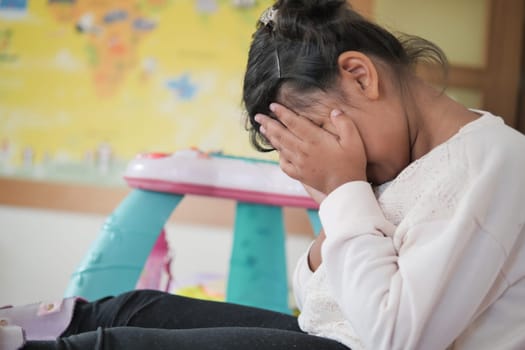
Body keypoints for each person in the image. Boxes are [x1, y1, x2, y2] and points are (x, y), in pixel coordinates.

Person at [4, 0, 524, 349]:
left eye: (319, 129)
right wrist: (335, 198)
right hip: (333, 339)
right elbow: (319, 306)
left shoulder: (494, 162)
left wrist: (343, 189)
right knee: (132, 310)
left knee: (122, 346)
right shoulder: (401, 167)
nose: (328, 153)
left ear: (360, 75)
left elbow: (394, 336)